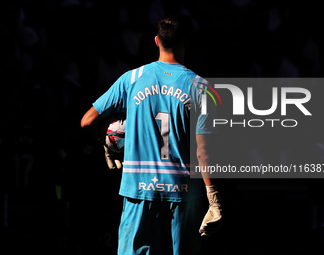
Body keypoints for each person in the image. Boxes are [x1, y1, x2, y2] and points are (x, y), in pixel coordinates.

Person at [81, 14, 222, 255]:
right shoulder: (202, 88)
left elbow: (87, 121)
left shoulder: (132, 78)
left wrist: (107, 143)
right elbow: (203, 151)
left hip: (138, 185)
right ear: (187, 43)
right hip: (184, 191)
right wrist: (214, 198)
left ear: (156, 41)